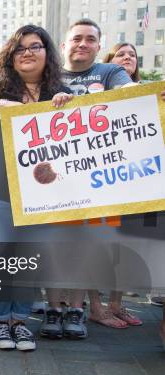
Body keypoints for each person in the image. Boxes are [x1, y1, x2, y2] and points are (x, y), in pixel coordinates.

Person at [0, 24, 73, 351]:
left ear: (47, 52)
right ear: (11, 53)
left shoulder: (58, 88)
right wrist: (1, 105)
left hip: (42, 192)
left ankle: (20, 323)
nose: (27, 52)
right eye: (20, 47)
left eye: (35, 46)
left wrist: (68, 104)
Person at [39, 19, 133, 340]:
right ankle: (53, 308)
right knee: (53, 246)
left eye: (90, 39)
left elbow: (129, 92)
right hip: (52, 180)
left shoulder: (109, 74)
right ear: (63, 46)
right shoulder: (50, 75)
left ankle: (77, 310)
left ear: (98, 46)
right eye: (76, 38)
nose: (82, 44)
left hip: (96, 180)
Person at [85, 42, 142, 329]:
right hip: (98, 186)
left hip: (134, 185)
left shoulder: (150, 96)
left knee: (125, 246)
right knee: (96, 245)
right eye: (121, 54)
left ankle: (117, 305)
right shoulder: (96, 95)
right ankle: (96, 306)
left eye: (132, 54)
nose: (127, 58)